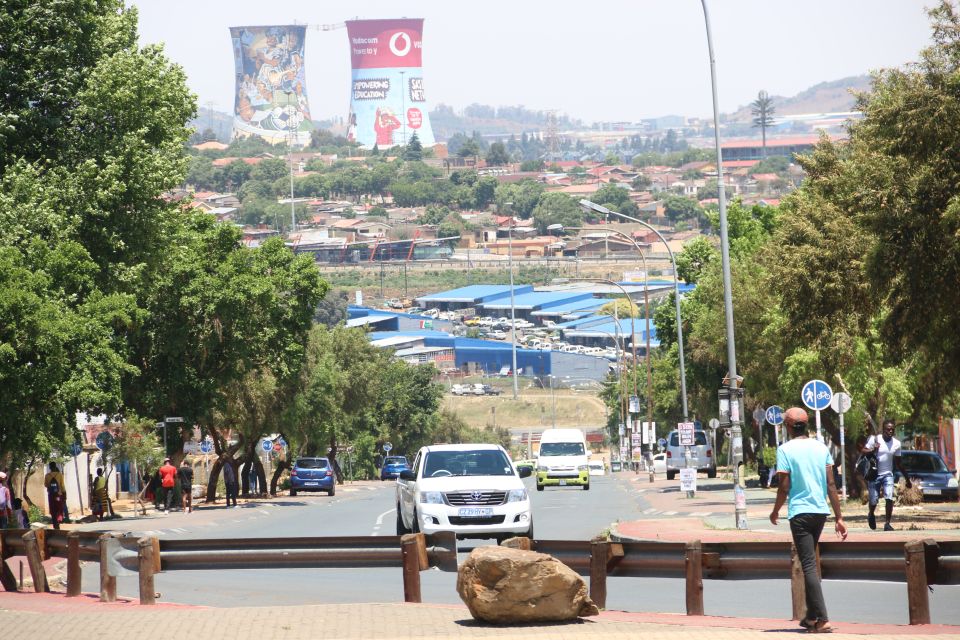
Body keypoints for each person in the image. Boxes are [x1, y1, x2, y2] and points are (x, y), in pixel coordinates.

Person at [770, 407, 847, 634]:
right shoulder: (820, 447)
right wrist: (839, 517)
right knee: (810, 562)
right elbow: (832, 485)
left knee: (809, 566)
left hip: (800, 513)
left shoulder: (785, 450)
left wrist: (775, 511)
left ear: (789, 427)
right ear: (806, 424)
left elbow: (784, 487)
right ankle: (811, 617)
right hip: (820, 512)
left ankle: (822, 619)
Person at [862, 419, 912, 531]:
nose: (890, 431)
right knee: (874, 500)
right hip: (874, 474)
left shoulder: (896, 443)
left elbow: (899, 463)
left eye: (892, 429)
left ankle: (887, 523)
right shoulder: (874, 439)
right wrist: (873, 449)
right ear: (883, 430)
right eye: (888, 429)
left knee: (889, 497)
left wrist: (908, 480)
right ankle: (871, 514)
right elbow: (863, 451)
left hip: (888, 475)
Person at [44, 462, 66, 530]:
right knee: (59, 508)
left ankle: (55, 523)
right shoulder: (59, 475)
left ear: (50, 467)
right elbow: (62, 486)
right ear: (55, 466)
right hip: (58, 495)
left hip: (51, 495)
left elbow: (46, 485)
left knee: (53, 509)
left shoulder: (47, 475)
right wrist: (64, 494)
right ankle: (58, 521)